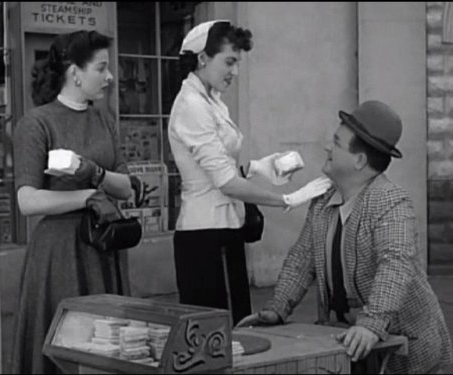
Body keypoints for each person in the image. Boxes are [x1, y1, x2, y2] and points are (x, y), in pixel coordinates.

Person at [237, 100, 453, 374]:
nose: (328, 147)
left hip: (406, 351)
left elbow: (395, 265)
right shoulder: (324, 199)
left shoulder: (391, 201)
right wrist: (278, 307)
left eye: (336, 143)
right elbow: (302, 259)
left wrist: (372, 322)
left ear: (359, 160)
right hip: (345, 343)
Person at [168, 20, 332, 327]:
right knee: (217, 336)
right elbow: (225, 182)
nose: (235, 71)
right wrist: (287, 198)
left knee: (236, 330)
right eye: (229, 62)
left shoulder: (210, 101)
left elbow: (218, 169)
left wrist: (260, 167)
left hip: (223, 229)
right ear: (202, 57)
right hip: (204, 234)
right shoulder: (192, 105)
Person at [11, 30, 139, 374]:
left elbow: (126, 187)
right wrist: (86, 195)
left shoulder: (104, 119)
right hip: (60, 252)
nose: (110, 77)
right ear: (75, 72)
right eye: (102, 68)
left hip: (104, 245)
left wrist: (93, 172)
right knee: (66, 347)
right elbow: (27, 200)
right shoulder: (36, 123)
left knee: (108, 345)